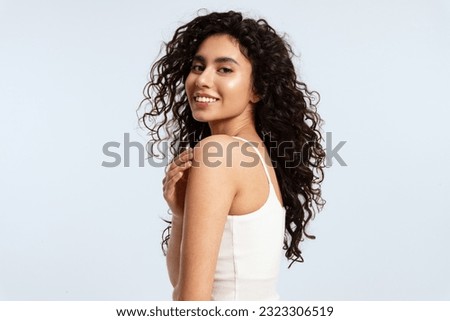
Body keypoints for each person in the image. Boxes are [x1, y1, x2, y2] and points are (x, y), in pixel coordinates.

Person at [138, 10, 326, 301]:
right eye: (198, 66)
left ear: (257, 89)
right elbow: (186, 282)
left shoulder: (220, 153)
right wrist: (180, 214)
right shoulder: (253, 152)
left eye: (224, 69)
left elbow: (191, 303)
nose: (202, 80)